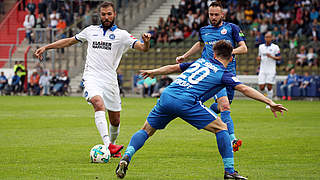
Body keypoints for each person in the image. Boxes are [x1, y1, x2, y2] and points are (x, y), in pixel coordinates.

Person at [115, 40, 287, 179]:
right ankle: (229, 171)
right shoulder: (223, 73)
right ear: (231, 56)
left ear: (214, 54)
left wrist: (154, 71)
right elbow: (245, 89)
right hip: (187, 101)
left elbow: (174, 68)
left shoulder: (201, 61)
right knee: (222, 128)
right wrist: (269, 101)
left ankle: (127, 156)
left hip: (168, 95)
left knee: (146, 129)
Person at [34, 1, 151, 158]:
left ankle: (111, 146)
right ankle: (107, 144)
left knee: (115, 120)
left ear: (114, 14)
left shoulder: (121, 35)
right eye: (103, 14)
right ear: (99, 15)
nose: (106, 17)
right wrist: (47, 47)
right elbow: (69, 41)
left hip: (110, 79)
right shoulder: (90, 31)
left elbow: (143, 48)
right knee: (97, 103)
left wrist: (147, 41)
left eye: (109, 14)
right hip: (92, 76)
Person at [175, 1, 247, 152]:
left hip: (229, 73)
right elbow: (201, 45)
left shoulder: (231, 28)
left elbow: (244, 48)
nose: (213, 17)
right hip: (213, 74)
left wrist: (228, 53)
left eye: (216, 14)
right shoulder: (204, 30)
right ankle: (232, 139)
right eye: (211, 14)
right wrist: (185, 55)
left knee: (223, 107)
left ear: (222, 15)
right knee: (225, 105)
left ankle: (208, 111)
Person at [256, 32, 281, 108]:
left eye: (269, 37)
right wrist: (258, 59)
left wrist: (271, 57)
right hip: (262, 69)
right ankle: (268, 96)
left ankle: (269, 103)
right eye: (266, 37)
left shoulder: (275, 47)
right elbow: (259, 57)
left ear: (271, 38)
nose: (267, 38)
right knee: (261, 87)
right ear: (264, 38)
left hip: (271, 69)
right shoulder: (261, 47)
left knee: (269, 86)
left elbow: (279, 58)